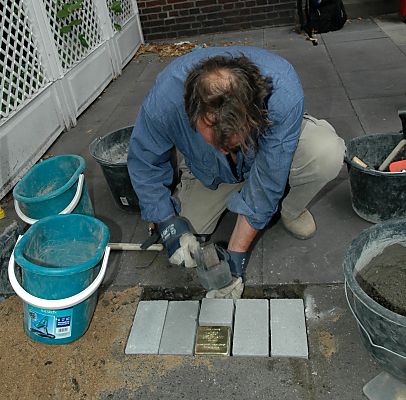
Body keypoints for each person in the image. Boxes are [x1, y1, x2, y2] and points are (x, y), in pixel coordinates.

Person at [127, 46, 346, 299]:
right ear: (194, 112)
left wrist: (235, 259)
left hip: (267, 152)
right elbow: (144, 164)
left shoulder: (282, 91)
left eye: (231, 144)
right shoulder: (165, 101)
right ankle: (229, 191)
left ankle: (291, 209)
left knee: (326, 153)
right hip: (208, 170)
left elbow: (268, 180)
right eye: (216, 143)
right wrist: (167, 224)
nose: (224, 150)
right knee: (188, 230)